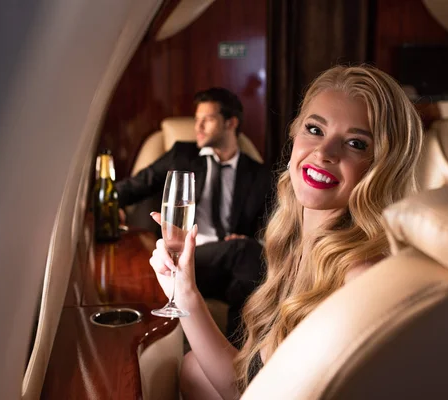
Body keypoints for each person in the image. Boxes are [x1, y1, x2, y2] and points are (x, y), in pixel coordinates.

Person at [148, 65, 424, 399]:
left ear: (384, 167)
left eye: (355, 143)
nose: (324, 152)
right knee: (193, 368)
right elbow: (250, 387)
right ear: (294, 135)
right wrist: (185, 289)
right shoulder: (291, 248)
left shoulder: (362, 279)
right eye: (314, 129)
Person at [116, 87, 272, 342]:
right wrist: (113, 207)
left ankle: (220, 358)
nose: (197, 126)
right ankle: (236, 355)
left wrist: (250, 240)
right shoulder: (182, 156)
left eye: (206, 119)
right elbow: (133, 187)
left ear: (230, 122)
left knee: (245, 276)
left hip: (228, 264)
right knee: (245, 255)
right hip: (185, 256)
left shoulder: (259, 174)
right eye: (196, 119)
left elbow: (273, 226)